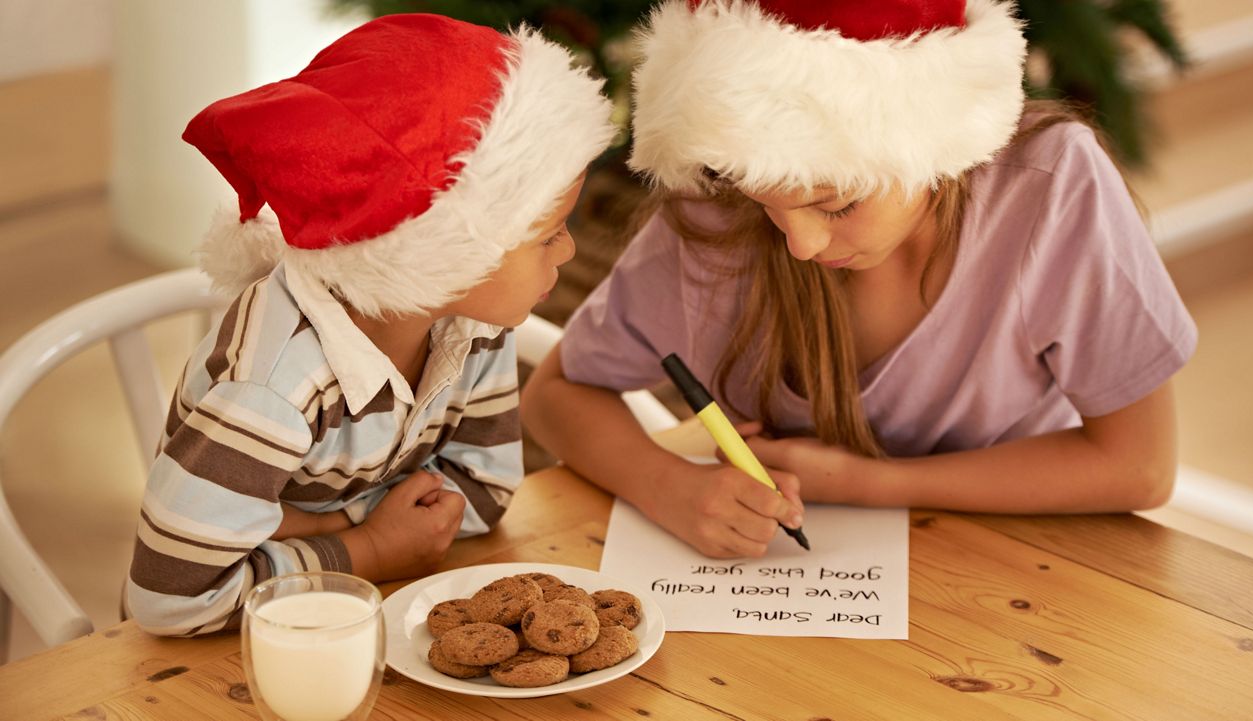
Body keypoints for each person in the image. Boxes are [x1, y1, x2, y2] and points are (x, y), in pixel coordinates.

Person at [522, 0, 1197, 559]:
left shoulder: (1049, 188)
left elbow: (1139, 467)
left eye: (834, 203)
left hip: (1027, 571)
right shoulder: (713, 202)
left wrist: (869, 482)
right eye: (766, 205)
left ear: (934, 143)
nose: (802, 243)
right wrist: (664, 484)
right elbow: (558, 394)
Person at [126, 13, 615, 635]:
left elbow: (484, 493)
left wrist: (312, 523)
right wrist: (370, 548)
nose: (568, 253)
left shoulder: (471, 322)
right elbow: (169, 600)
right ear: (444, 251)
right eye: (549, 234)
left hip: (369, 617)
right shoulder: (272, 390)